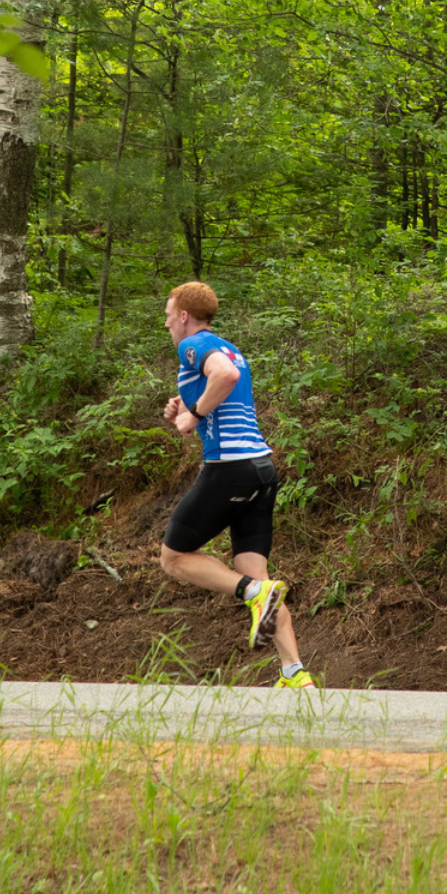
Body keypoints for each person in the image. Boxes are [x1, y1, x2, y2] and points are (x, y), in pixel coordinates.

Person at [155, 281, 314, 690]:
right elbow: (222, 384)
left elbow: (221, 378)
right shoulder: (227, 347)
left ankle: (253, 592)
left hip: (231, 470)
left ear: (185, 316)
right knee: (257, 575)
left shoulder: (193, 344)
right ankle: (295, 673)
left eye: (170, 313)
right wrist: (183, 407)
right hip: (261, 469)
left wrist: (193, 411)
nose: (167, 320)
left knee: (173, 559)